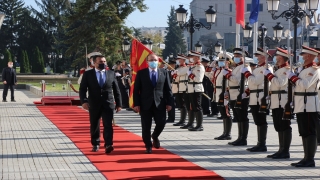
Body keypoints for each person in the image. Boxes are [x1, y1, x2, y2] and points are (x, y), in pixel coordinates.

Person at [79, 55, 122, 154]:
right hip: (93, 104)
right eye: (100, 62)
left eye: (104, 61)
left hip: (108, 103)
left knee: (108, 125)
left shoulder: (111, 73)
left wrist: (119, 104)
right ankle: (95, 143)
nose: (103, 63)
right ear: (94, 63)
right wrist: (84, 101)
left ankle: (108, 144)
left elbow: (116, 90)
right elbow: (82, 89)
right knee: (95, 125)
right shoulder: (88, 74)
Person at [133, 53, 173, 154]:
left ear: (158, 61)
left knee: (161, 123)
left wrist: (170, 103)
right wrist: (136, 104)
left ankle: (154, 136)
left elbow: (168, 89)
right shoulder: (141, 73)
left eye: (155, 60)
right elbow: (136, 90)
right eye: (151, 60)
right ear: (147, 62)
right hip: (145, 104)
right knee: (146, 126)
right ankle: (148, 145)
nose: (153, 62)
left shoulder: (164, 72)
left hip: (160, 103)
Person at [287, 46, 320, 167]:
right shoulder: (303, 69)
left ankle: (310, 159)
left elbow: (305, 85)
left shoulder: (314, 70)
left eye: (304, 55)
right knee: (303, 132)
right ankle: (306, 157)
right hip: (301, 103)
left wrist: (293, 78)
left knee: (310, 132)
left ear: (310, 56)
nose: (302, 57)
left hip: (309, 104)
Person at [242, 48, 273, 152]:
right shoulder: (258, 68)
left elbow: (256, 81)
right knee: (257, 121)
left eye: (258, 56)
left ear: (264, 57)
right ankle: (259, 143)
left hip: (260, 97)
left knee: (261, 120)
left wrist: (247, 74)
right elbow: (252, 84)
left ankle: (262, 144)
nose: (256, 57)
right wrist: (246, 92)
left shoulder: (266, 68)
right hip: (254, 96)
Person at [264, 47, 292, 159]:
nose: (276, 58)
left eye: (277, 57)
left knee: (284, 125)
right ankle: (281, 149)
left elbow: (280, 83)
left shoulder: (287, 70)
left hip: (282, 100)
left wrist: (270, 76)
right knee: (278, 125)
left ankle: (285, 151)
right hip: (276, 99)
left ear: (282, 58)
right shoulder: (279, 69)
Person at [225, 48, 251, 146]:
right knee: (238, 116)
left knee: (242, 116)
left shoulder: (245, 67)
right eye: (235, 56)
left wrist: (228, 75)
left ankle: (243, 138)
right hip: (233, 93)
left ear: (242, 57)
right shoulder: (237, 67)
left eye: (238, 56)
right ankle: (240, 137)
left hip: (240, 94)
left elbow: (236, 80)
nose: (235, 58)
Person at [211, 57, 233, 140]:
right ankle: (225, 132)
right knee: (223, 113)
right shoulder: (219, 71)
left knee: (226, 112)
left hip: (224, 92)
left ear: (227, 62)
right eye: (219, 61)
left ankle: (228, 133)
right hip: (218, 92)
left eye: (222, 61)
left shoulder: (228, 71)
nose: (220, 62)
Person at [185, 51, 205, 131]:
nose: (192, 58)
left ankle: (199, 125)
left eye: (193, 57)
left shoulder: (199, 67)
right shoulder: (194, 66)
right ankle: (195, 124)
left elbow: (198, 79)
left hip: (196, 89)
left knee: (197, 107)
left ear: (197, 58)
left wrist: (190, 74)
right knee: (193, 107)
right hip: (191, 89)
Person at [172, 54, 189, 127]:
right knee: (180, 104)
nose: (178, 61)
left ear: (183, 60)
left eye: (180, 60)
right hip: (177, 87)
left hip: (183, 88)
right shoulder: (178, 68)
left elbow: (180, 73)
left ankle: (183, 120)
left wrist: (175, 72)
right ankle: (181, 120)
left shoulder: (186, 67)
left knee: (183, 104)